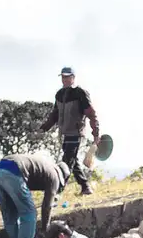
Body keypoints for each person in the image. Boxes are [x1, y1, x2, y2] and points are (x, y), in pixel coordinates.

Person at [0, 153, 70, 238]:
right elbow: (47, 206)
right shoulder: (55, 176)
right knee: (30, 213)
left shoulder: (46, 166)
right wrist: (45, 227)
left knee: (10, 215)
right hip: (15, 171)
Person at [39, 67, 101, 196]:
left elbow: (92, 114)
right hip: (64, 134)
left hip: (76, 133)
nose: (65, 79)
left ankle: (57, 191)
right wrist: (44, 128)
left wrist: (96, 134)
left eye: (67, 77)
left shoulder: (80, 93)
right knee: (73, 162)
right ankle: (85, 187)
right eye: (63, 77)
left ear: (73, 77)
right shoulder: (59, 94)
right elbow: (55, 114)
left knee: (67, 161)